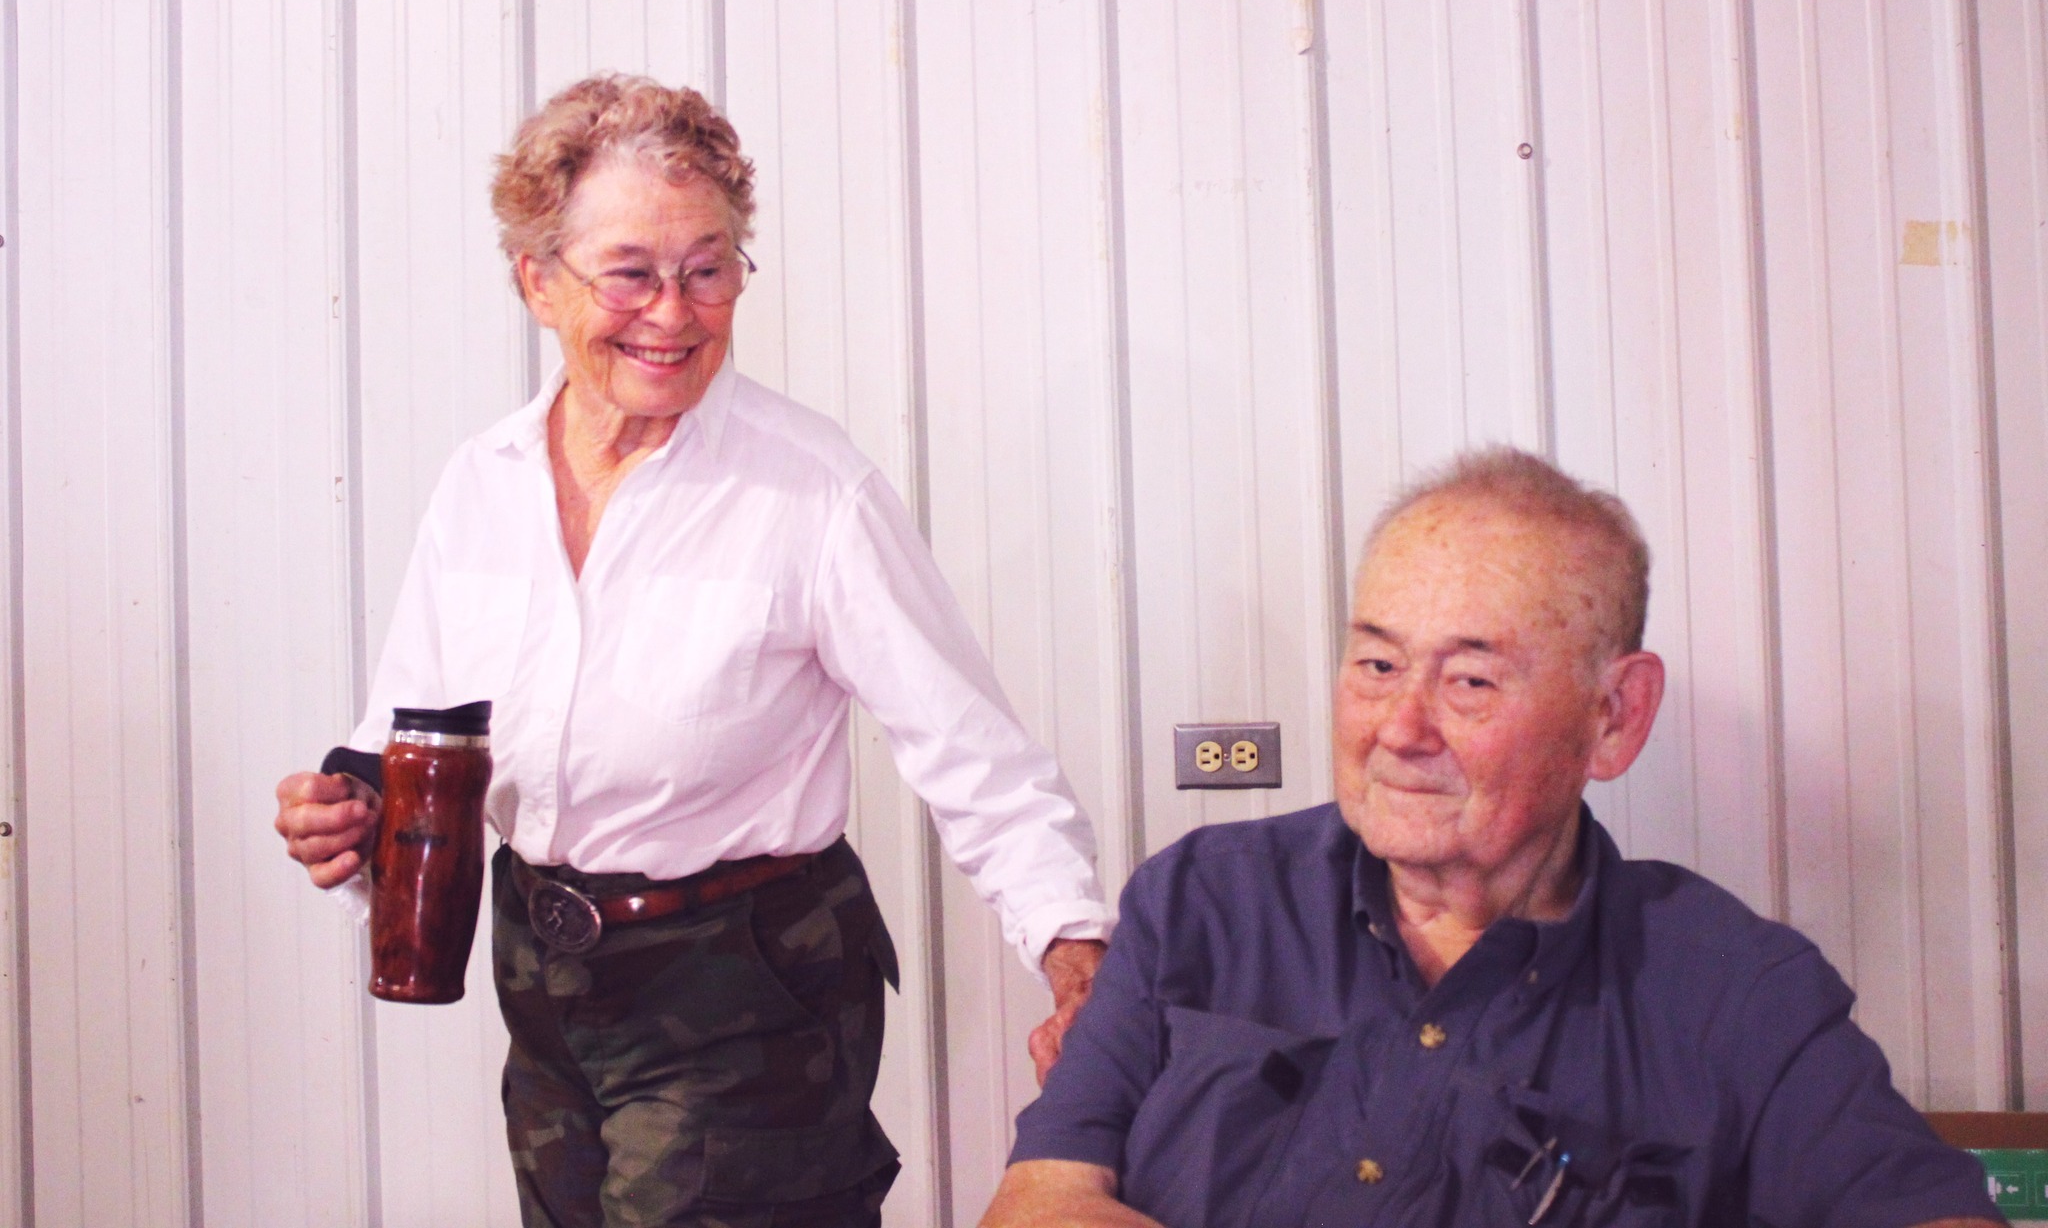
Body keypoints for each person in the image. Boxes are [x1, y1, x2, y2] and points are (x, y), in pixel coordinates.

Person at [273, 73, 1112, 1228]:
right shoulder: (481, 485)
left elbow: (972, 752)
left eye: (708, 270)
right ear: (537, 280)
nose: (672, 312)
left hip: (745, 987)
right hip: (546, 984)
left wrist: (1080, 963)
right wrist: (348, 809)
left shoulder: (811, 491)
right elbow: (411, 729)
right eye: (630, 272)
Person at [984, 448, 2002, 1228]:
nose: (1400, 728)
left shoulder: (1734, 991)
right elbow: (1040, 1201)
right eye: (1377, 666)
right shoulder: (1203, 901)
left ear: (1614, 717)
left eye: (1468, 681)